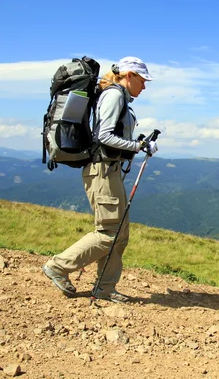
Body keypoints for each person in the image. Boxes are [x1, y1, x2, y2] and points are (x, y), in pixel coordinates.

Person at [42, 56, 157, 303]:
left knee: (120, 233)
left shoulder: (119, 96)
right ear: (129, 76)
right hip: (102, 171)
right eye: (142, 80)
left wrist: (137, 144)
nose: (144, 86)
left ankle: (104, 289)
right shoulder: (114, 96)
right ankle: (59, 266)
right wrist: (137, 146)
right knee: (108, 232)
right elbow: (104, 136)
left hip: (109, 170)